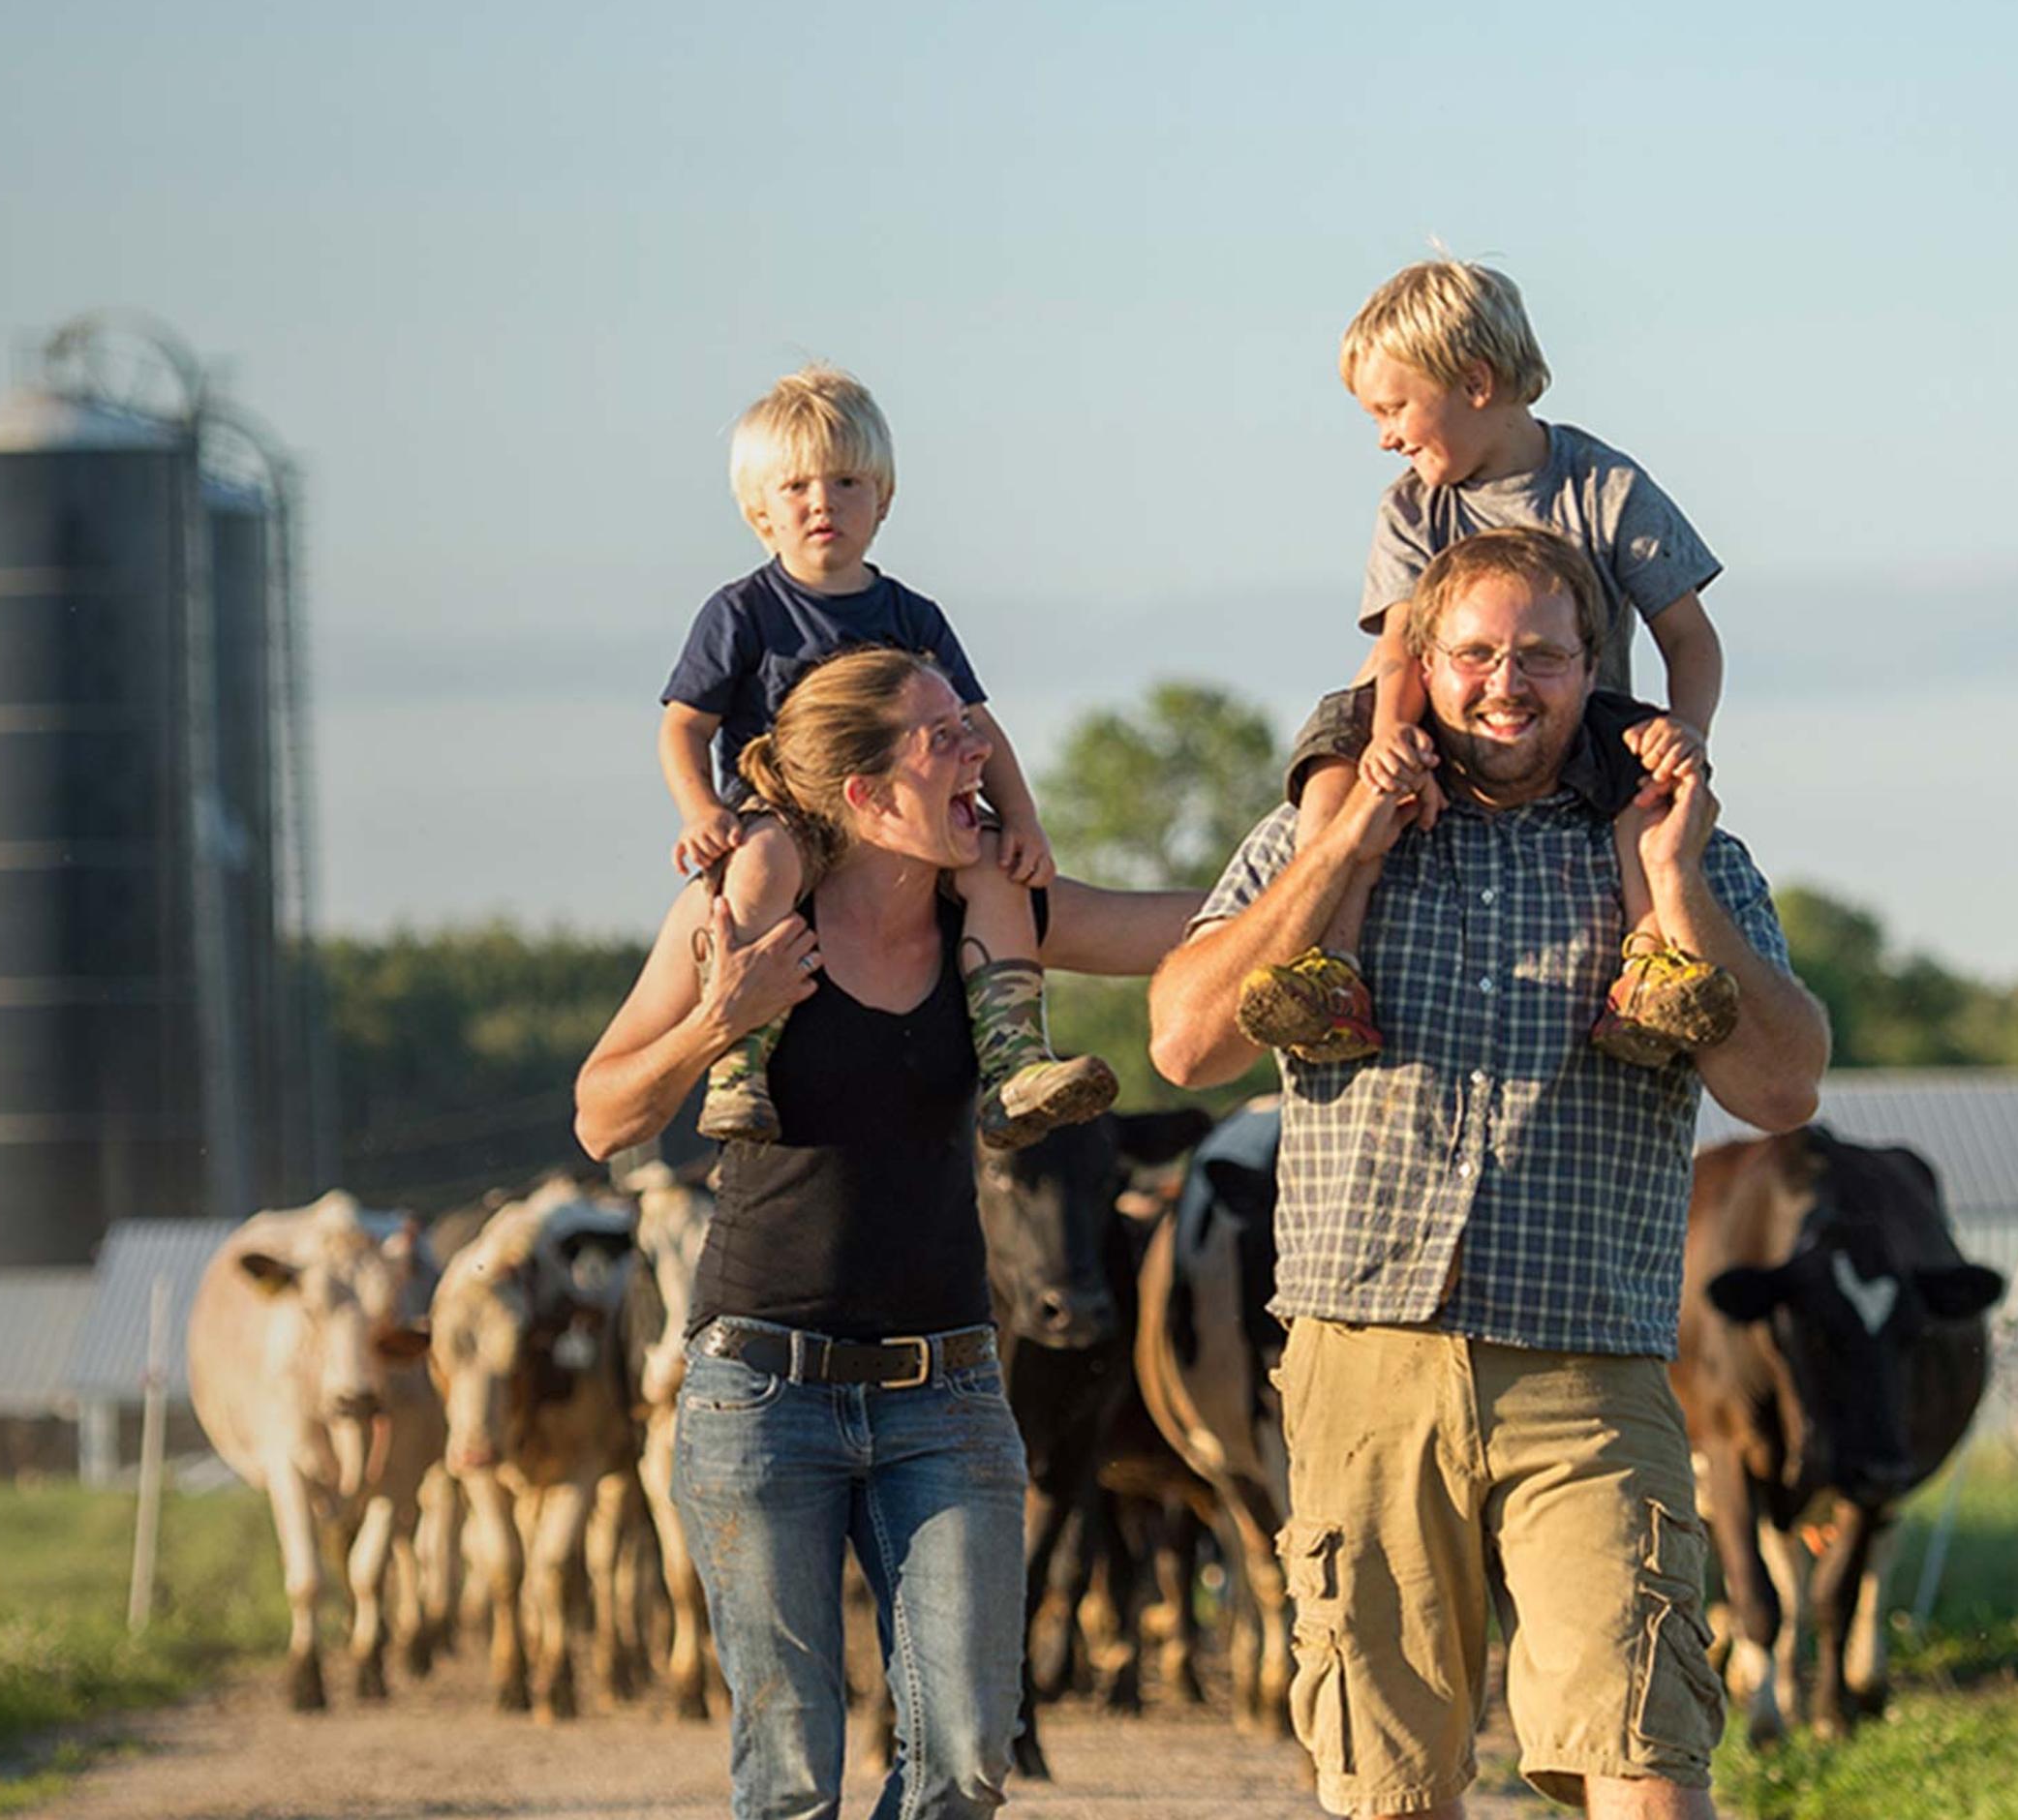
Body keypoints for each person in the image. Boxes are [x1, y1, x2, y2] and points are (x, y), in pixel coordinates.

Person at [1147, 527, 1829, 1820]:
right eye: (1474, 654)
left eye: (1541, 656)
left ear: (1590, 667)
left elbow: (1784, 1085)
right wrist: (1345, 844)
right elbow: (1185, 1038)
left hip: (1589, 1369)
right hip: (1365, 1357)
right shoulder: (1332, 822)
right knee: (1392, 1783)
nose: (1505, 684)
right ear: (1427, 664)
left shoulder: (1663, 841)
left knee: (1647, 1764)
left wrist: (1675, 883)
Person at [579, 645, 1202, 1820]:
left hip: (951, 1391)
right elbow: (603, 1110)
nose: (983, 751)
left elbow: (1196, 922)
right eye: (943, 735)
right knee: (794, 1775)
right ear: (864, 793)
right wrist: (721, 1019)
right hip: (760, 1391)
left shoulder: (998, 917)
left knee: (967, 1755)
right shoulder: (740, 912)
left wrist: (1356, 843)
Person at [1240, 258, 1739, 1070]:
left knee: (1647, 788)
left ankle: (1650, 974)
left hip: (1575, 724)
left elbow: (1689, 636)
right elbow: (1400, 649)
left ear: (1474, 382)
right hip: (1436, 716)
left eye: (1395, 408)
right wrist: (1393, 747)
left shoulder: (1605, 487)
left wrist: (1686, 733)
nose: (1385, 436)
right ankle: (1330, 968)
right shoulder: (1412, 506)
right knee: (1338, 747)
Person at [657, 365, 1112, 1148]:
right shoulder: (741, 612)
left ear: (884, 499)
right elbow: (683, 727)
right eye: (795, 486)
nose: (821, 502)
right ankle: (739, 1065)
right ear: (757, 509)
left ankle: (1013, 1065)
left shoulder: (911, 614)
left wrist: (1026, 821)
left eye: (846, 481)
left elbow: (978, 728)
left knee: (994, 865)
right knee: (760, 860)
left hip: (904, 826)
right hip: (789, 816)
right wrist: (701, 811)